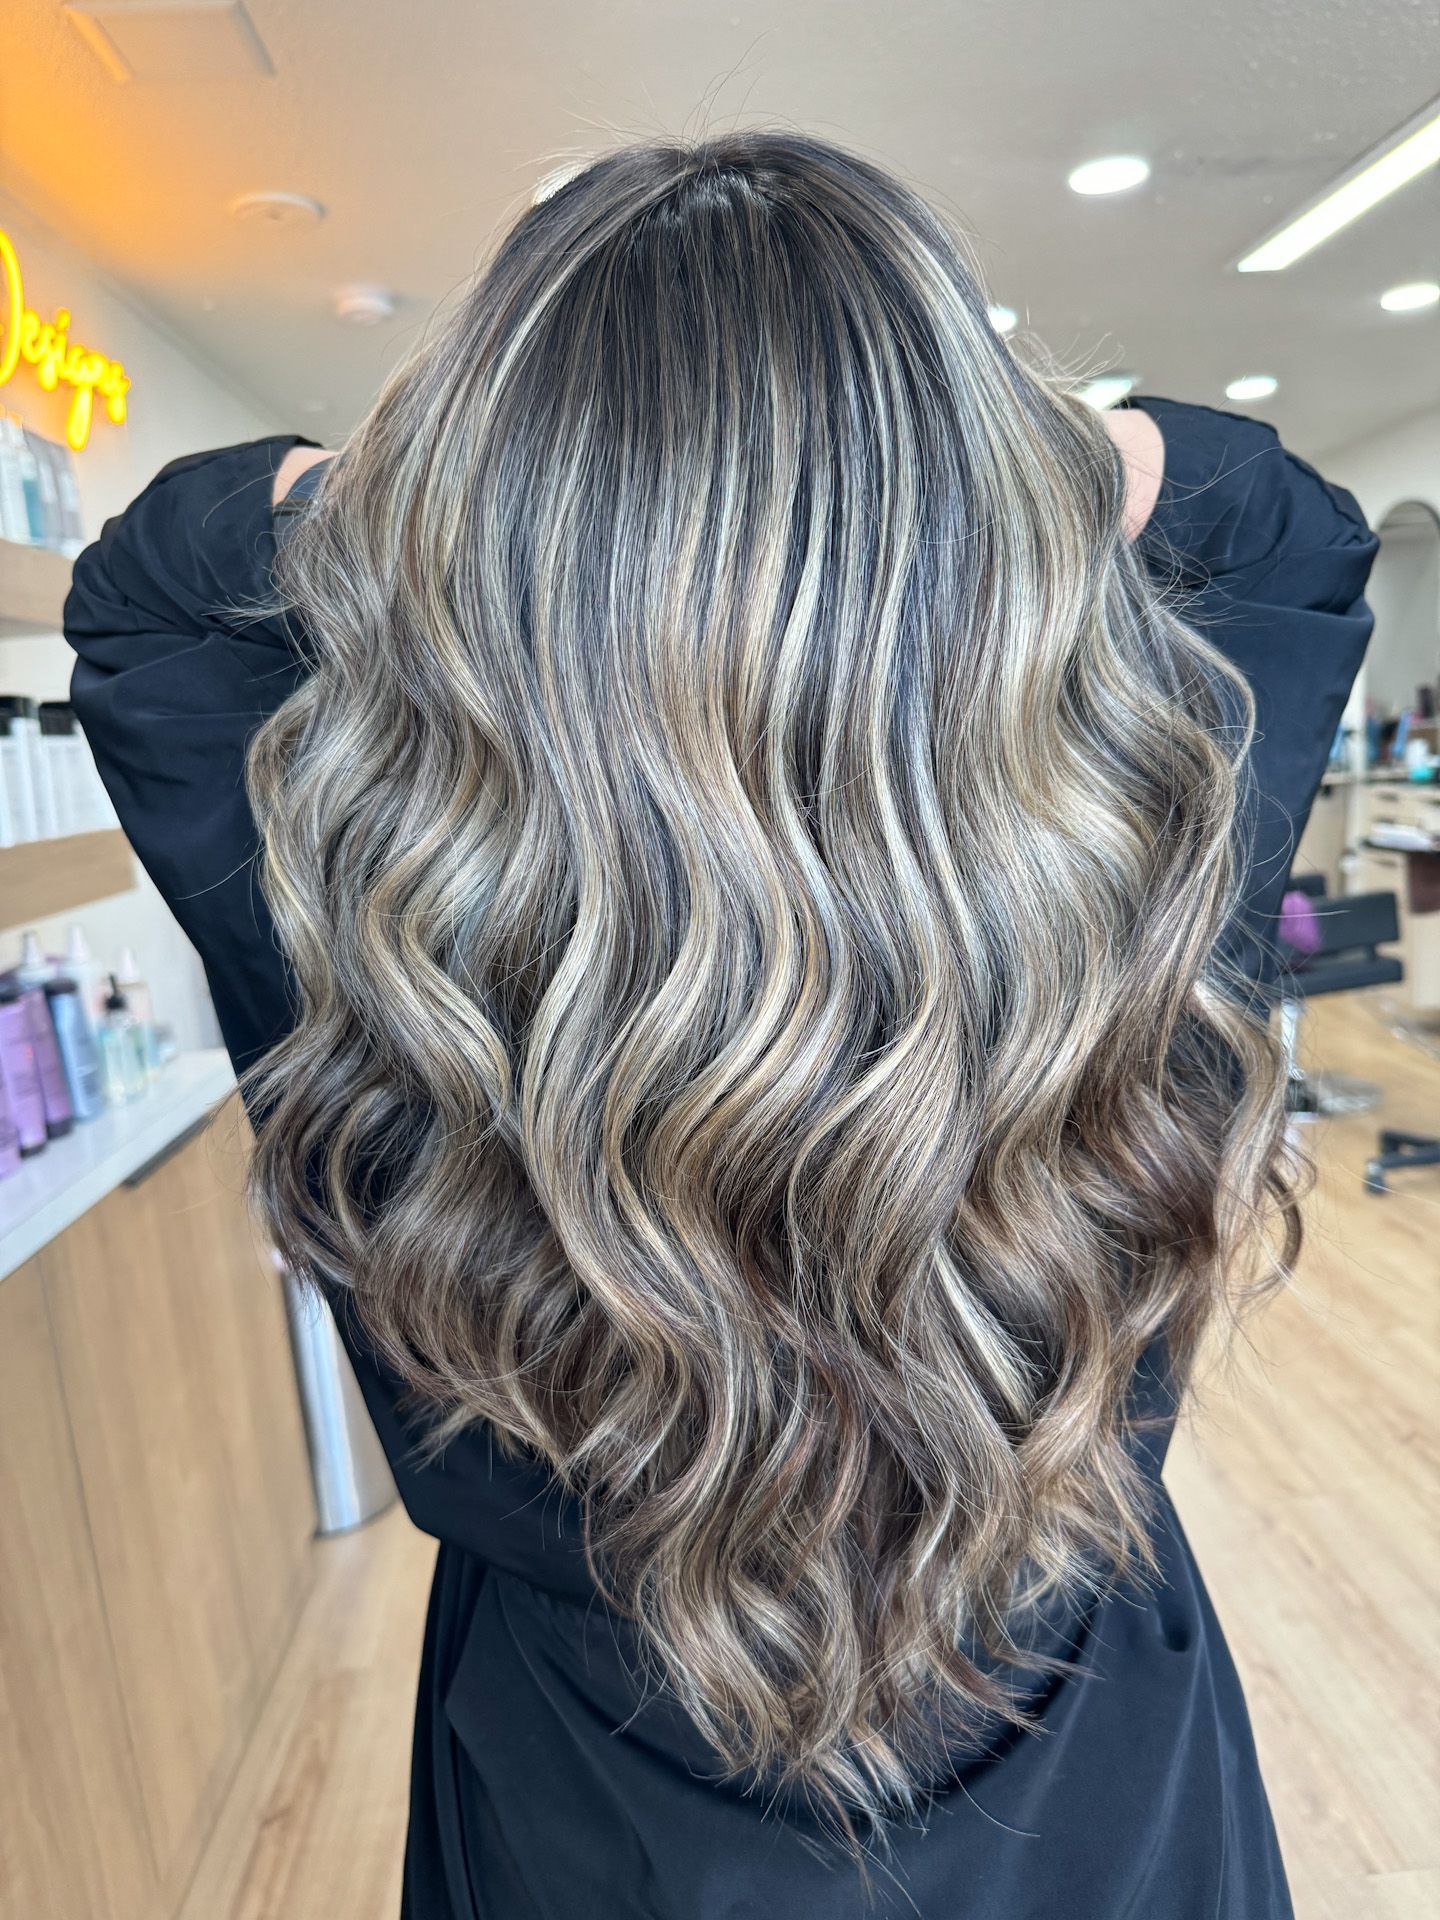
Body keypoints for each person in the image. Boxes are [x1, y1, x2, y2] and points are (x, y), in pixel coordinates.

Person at [63, 131, 1377, 1919]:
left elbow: (149, 587)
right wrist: (986, 450)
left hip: (584, 1825)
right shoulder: (1118, 882)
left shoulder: (383, 949)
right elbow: (1274, 517)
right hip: (1100, 1815)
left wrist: (452, 476)